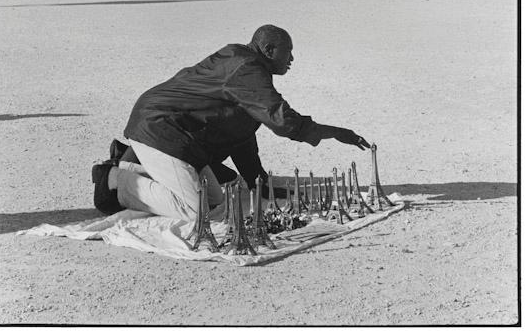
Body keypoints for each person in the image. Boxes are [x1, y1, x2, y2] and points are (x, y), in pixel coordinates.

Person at [92, 25, 369, 221]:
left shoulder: (245, 63)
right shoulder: (246, 69)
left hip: (179, 135)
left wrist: (258, 181)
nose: (292, 59)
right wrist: (335, 132)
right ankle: (116, 179)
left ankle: (134, 162)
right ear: (269, 50)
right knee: (195, 211)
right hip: (159, 129)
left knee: (214, 200)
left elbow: (242, 133)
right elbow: (283, 121)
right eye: (288, 52)